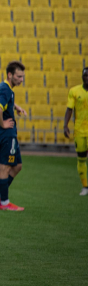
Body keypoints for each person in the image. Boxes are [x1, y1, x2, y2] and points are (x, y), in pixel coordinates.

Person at [0, 61, 27, 211]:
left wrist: (15, 106)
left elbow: (4, 102)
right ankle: (4, 203)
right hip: (6, 133)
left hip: (10, 133)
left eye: (22, 77)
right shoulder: (5, 89)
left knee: (17, 166)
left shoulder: (7, 89)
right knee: (5, 166)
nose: (21, 79)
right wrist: (3, 124)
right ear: (10, 75)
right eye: (19, 76)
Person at [64, 67, 88, 196]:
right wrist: (65, 125)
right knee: (81, 159)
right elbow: (69, 109)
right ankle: (85, 186)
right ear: (82, 77)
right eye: (85, 75)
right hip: (79, 130)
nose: (87, 78)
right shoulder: (74, 91)